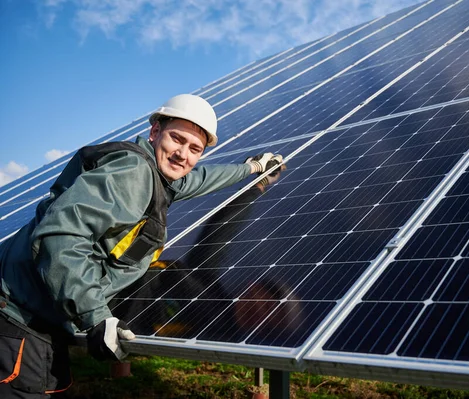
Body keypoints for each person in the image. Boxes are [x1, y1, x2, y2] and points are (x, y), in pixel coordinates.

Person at [0, 94, 283, 398]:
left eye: (195, 149)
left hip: (32, 321)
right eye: (177, 139)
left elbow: (198, 178)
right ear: (154, 132)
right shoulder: (131, 175)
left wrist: (251, 169)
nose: (182, 154)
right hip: (20, 321)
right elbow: (61, 238)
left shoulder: (158, 175)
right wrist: (96, 315)